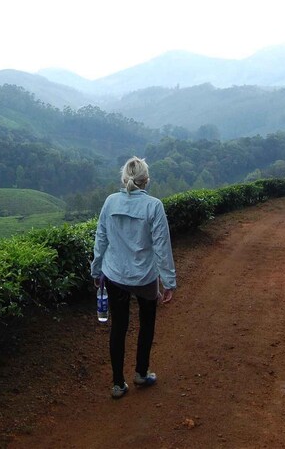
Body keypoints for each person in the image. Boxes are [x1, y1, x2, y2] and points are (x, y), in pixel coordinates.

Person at [90, 156, 176, 399]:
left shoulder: (110, 202)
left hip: (115, 274)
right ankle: (141, 372)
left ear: (124, 179)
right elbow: (162, 247)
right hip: (145, 276)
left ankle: (118, 383)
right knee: (146, 324)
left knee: (119, 327)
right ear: (146, 181)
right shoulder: (154, 206)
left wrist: (96, 271)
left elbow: (101, 239)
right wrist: (168, 282)